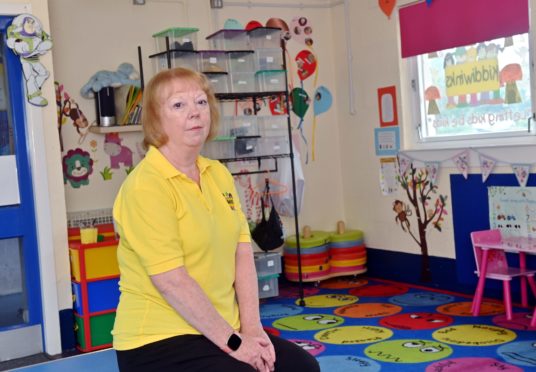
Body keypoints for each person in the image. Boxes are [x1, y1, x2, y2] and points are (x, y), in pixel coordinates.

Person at [112, 67, 320, 372]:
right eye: (179, 105)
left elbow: (242, 251)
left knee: (301, 367)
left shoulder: (218, 174)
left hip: (222, 329)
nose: (195, 113)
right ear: (157, 119)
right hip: (157, 340)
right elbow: (172, 282)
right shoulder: (146, 186)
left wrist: (251, 330)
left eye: (200, 102)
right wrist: (236, 344)